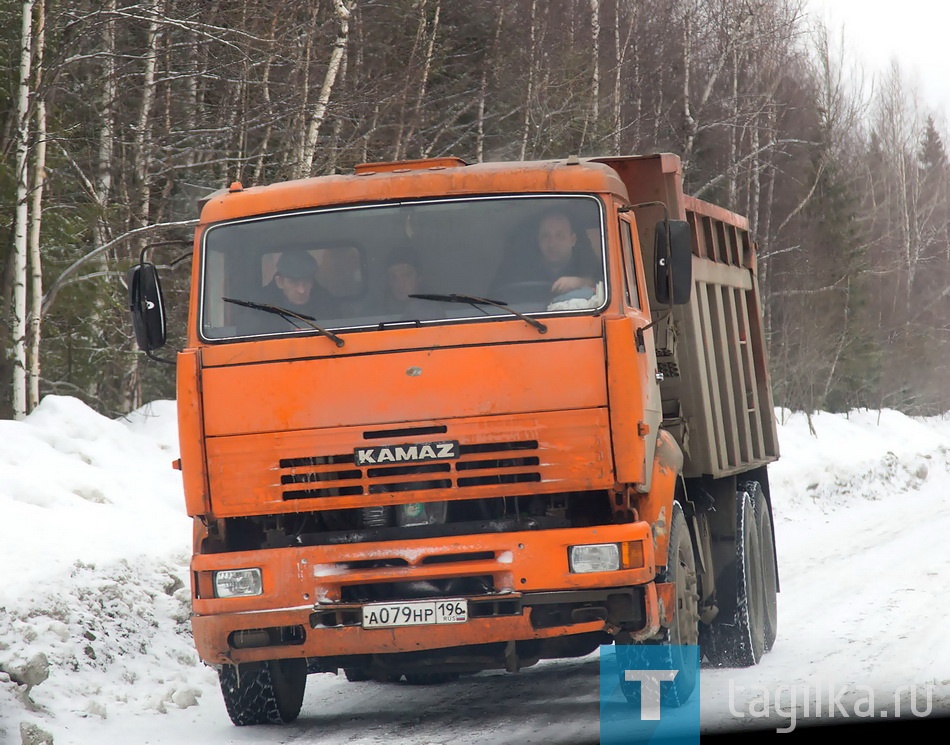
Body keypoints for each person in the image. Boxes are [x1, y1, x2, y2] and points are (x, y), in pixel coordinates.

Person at [491, 210, 598, 301]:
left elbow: (608, 289)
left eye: (559, 236)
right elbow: (496, 301)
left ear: (573, 240)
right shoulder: (517, 271)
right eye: (545, 236)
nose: (552, 244)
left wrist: (581, 283)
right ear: (538, 240)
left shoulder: (588, 264)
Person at [254, 251, 339, 329]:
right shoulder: (260, 307)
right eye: (293, 282)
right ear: (279, 282)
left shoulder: (325, 302)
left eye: (306, 282)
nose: (301, 290)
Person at [383, 245, 431, 319]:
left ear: (419, 278)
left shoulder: (433, 314)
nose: (400, 283)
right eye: (393, 277)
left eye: (406, 275)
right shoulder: (375, 314)